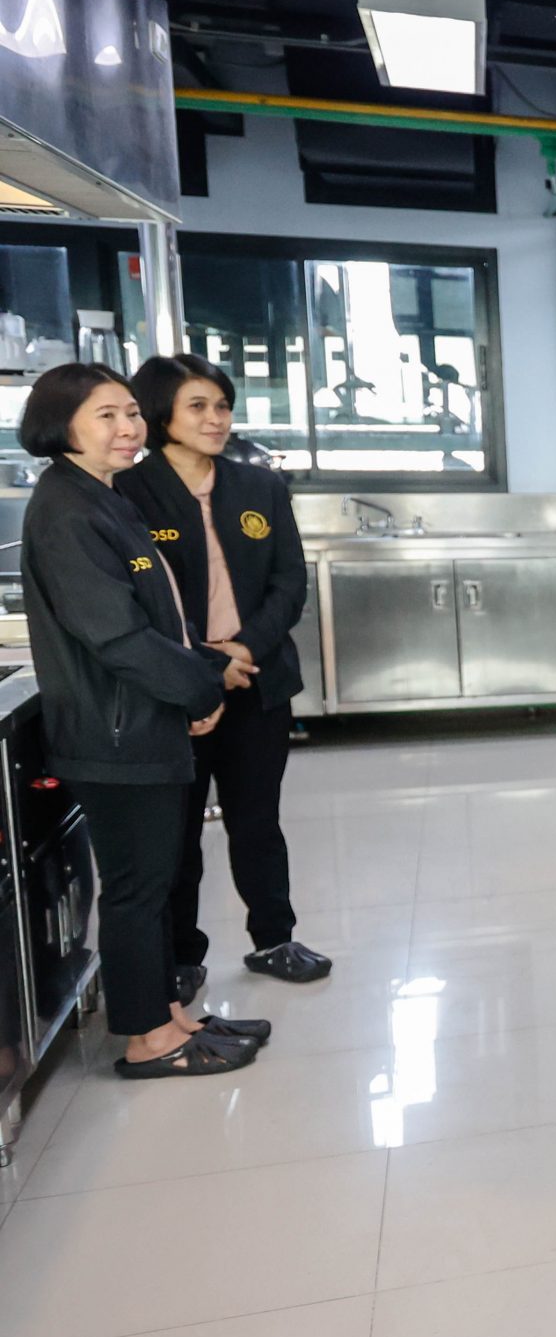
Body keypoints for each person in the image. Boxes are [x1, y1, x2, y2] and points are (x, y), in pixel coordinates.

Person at [17, 364, 267, 1077]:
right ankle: (147, 1039)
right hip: (116, 732)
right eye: (107, 416)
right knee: (136, 890)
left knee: (155, 885)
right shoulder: (68, 512)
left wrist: (192, 681)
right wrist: (201, 688)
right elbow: (119, 637)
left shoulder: (104, 496)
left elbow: (158, 619)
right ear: (61, 425)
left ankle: (170, 1016)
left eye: (131, 413)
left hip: (138, 722)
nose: (129, 428)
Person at [118, 355, 330, 997]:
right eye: (198, 407)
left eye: (222, 406)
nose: (216, 419)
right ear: (161, 415)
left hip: (257, 681)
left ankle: (275, 939)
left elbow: (288, 582)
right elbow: (136, 604)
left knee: (258, 821)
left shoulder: (259, 487)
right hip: (176, 691)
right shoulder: (128, 492)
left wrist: (242, 649)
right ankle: (182, 957)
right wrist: (207, 664)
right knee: (178, 833)